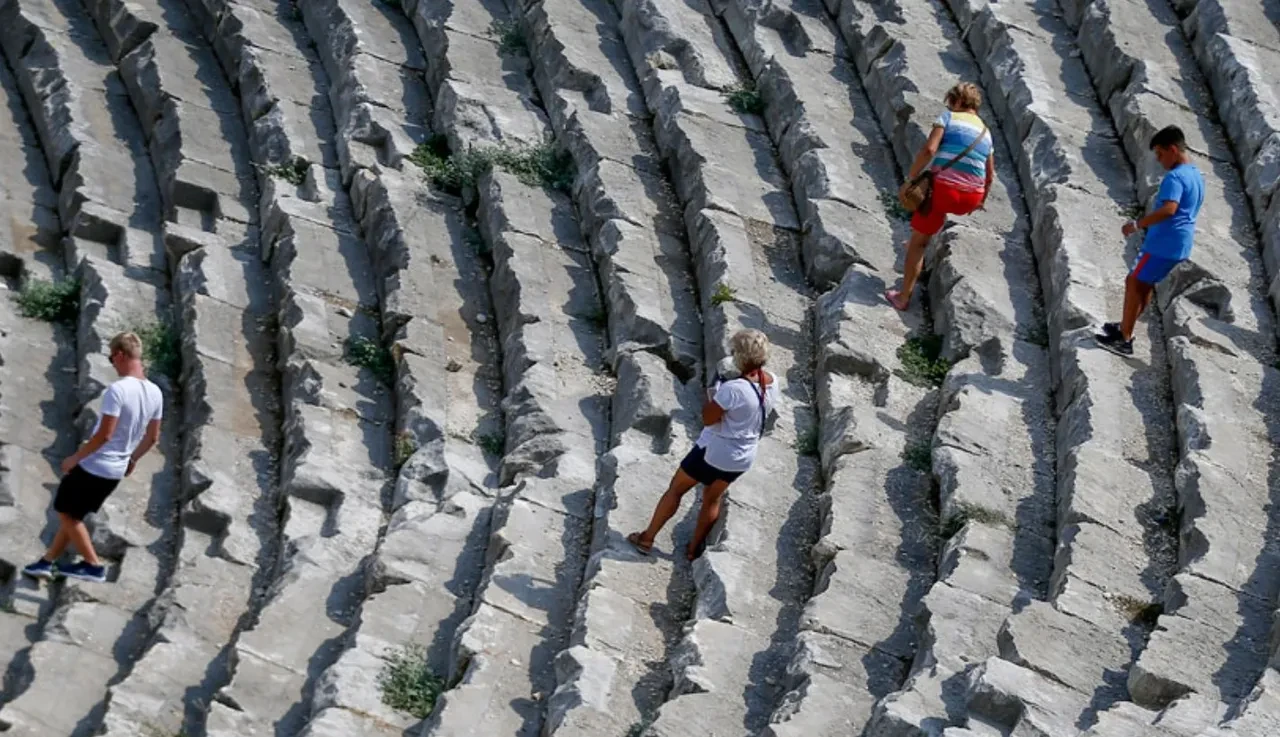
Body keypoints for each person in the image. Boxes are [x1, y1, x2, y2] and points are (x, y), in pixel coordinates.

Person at [22, 332, 163, 583]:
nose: (113, 364)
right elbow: (152, 438)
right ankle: (47, 561)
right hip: (116, 469)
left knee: (66, 514)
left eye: (111, 358)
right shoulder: (155, 393)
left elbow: (105, 435)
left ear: (120, 355)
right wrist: (132, 460)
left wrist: (75, 458)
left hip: (96, 465)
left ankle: (92, 565)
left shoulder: (117, 390)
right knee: (73, 514)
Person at [628, 329, 779, 561]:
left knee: (676, 489)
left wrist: (713, 396)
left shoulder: (733, 389)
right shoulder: (772, 382)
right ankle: (692, 549)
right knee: (712, 498)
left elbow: (709, 418)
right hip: (742, 456)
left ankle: (646, 538)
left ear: (739, 355)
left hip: (715, 451)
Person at [1095, 125, 1204, 357]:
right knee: (1144, 284)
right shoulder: (1195, 174)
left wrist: (1136, 225)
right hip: (1179, 244)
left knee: (1133, 281)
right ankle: (1125, 326)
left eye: (1160, 154)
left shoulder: (1174, 177)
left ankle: (1124, 339)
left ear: (1173, 149)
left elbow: (1169, 209)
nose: (1159, 160)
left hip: (1162, 243)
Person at [887, 82, 995, 311]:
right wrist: (981, 200)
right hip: (972, 197)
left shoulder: (948, 117)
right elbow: (989, 175)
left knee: (919, 241)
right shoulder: (986, 132)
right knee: (939, 203)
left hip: (945, 192)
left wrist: (912, 177)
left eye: (950, 102)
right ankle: (921, 233)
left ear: (956, 101)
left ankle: (903, 297)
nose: (950, 106)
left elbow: (929, 150)